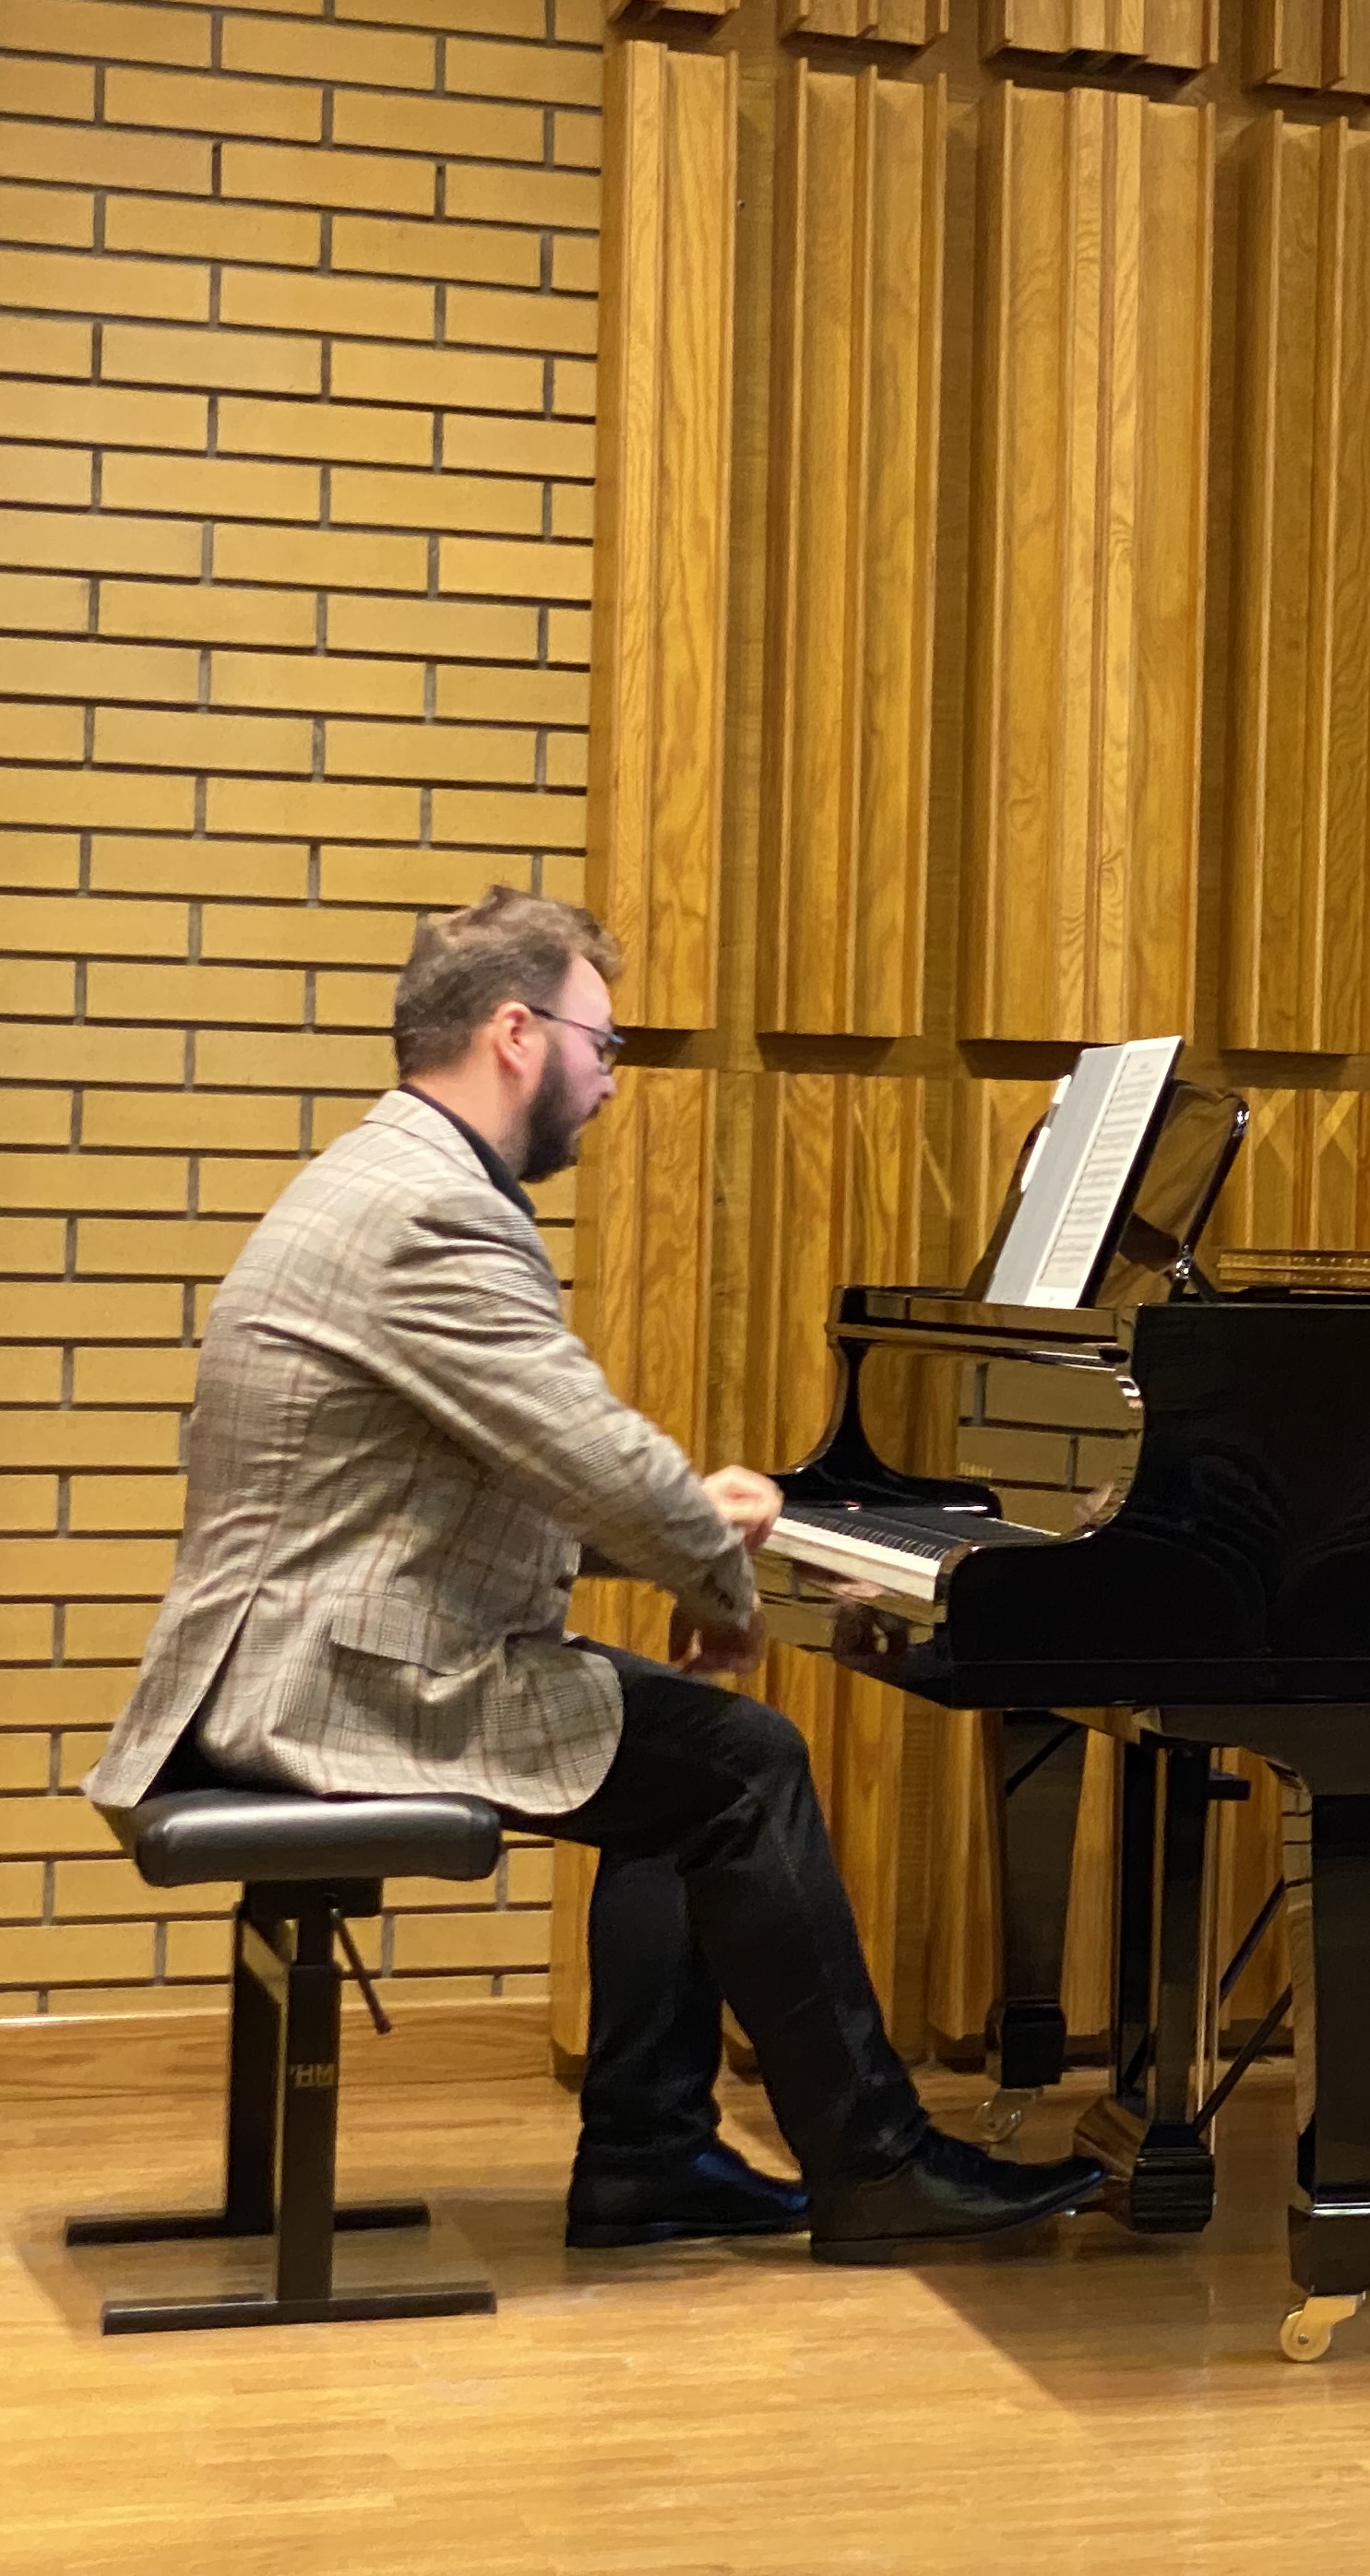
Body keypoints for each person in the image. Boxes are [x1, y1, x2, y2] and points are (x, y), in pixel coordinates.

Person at [86, 887, 1108, 2262]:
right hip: (320, 1688)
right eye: (603, 1043)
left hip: (287, 1656)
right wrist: (711, 1564)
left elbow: (469, 1487)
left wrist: (693, 1531)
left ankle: (649, 2158)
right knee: (743, 1764)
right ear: (517, 1031)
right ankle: (877, 2170)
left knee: (669, 1764)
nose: (612, 1081)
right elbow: (594, 1459)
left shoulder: (379, 1177)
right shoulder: (436, 1215)